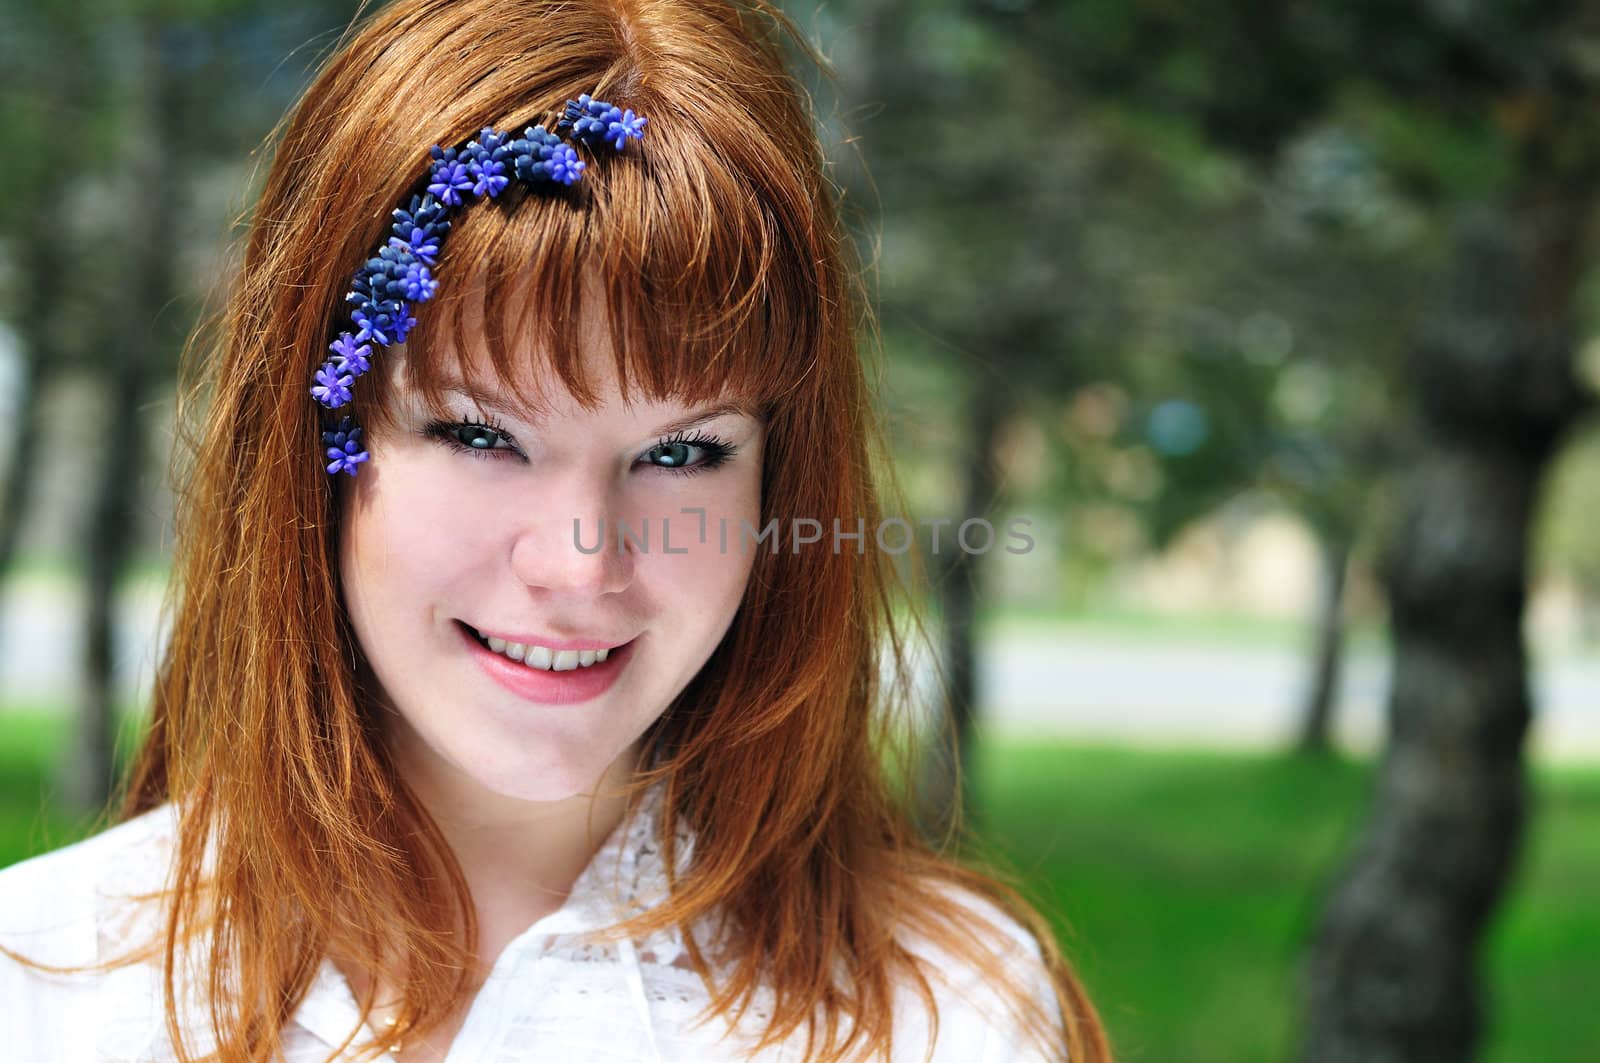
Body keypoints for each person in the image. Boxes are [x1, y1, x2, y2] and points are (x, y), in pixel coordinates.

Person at [0, 0, 1111, 1059]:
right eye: (481, 436)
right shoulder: (45, 986)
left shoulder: (944, 1013)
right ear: (317, 449)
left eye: (682, 453)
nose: (584, 562)